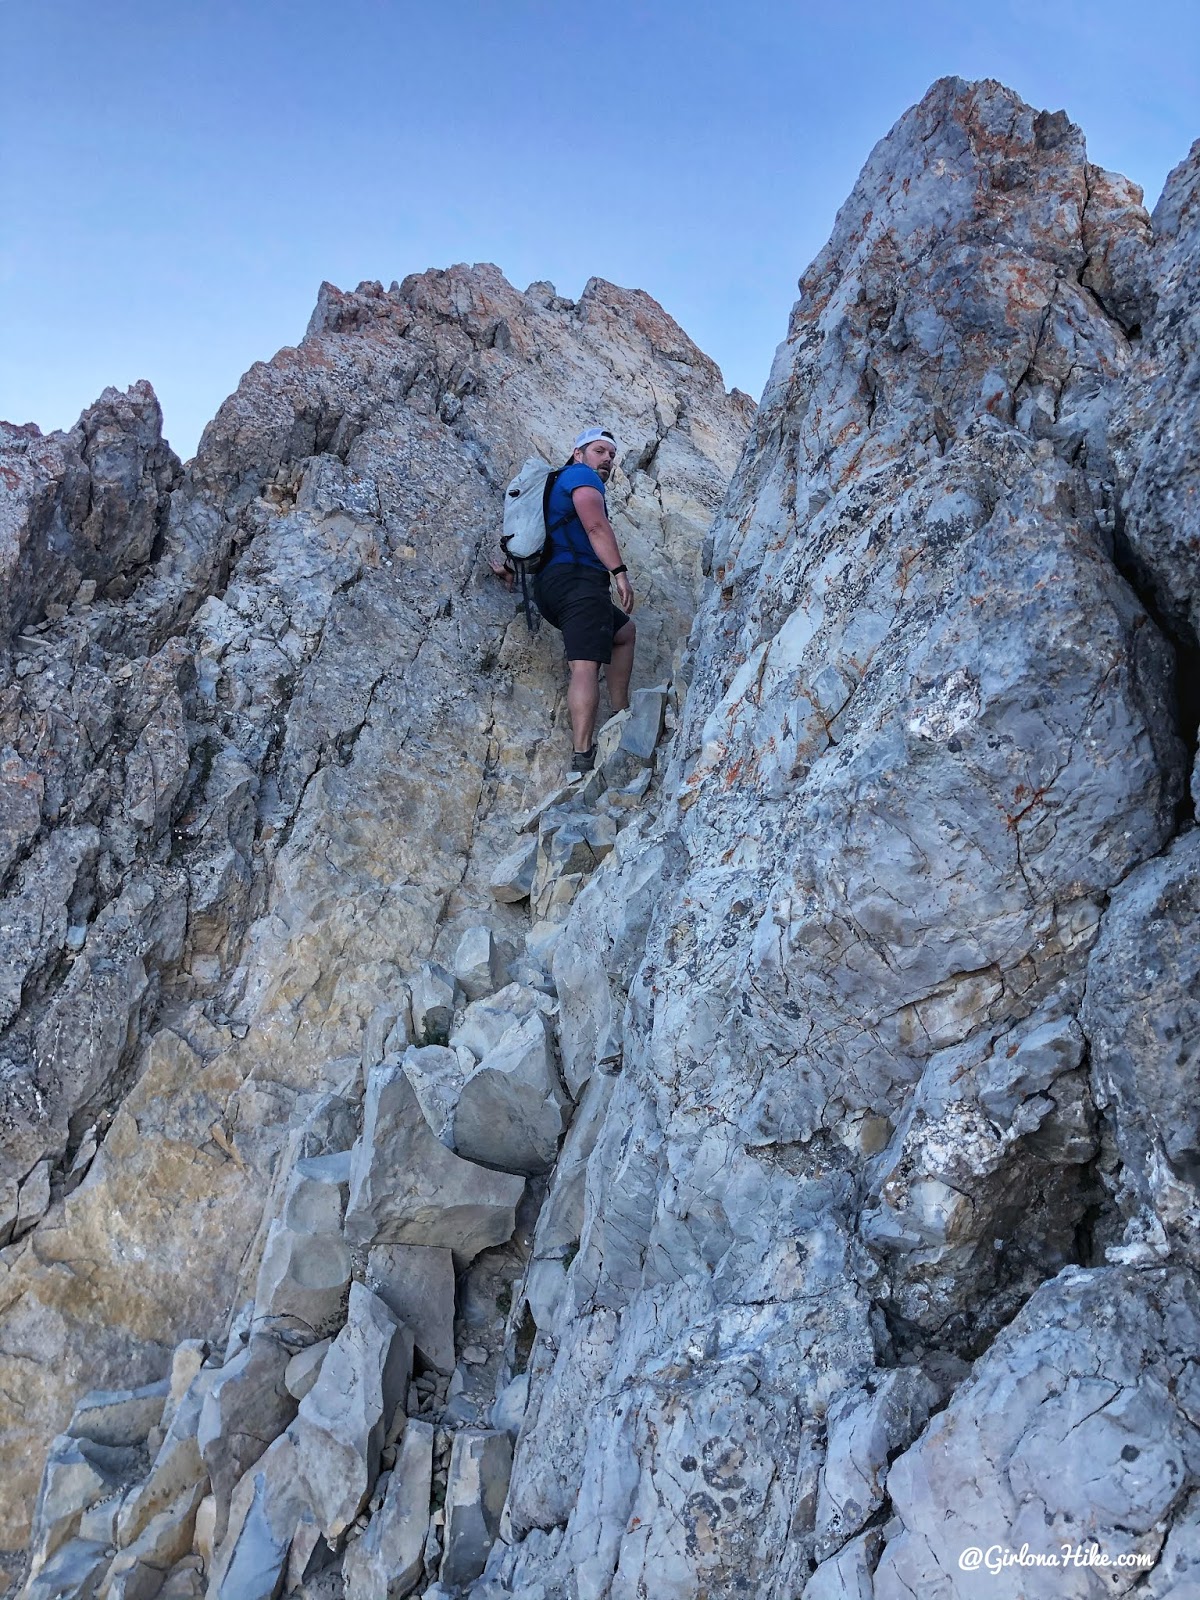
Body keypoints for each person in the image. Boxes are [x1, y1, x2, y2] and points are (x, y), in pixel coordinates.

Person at [534, 427, 636, 774]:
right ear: (578, 453)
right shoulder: (580, 476)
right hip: (578, 579)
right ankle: (582, 755)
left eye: (611, 454)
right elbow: (595, 526)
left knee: (623, 632)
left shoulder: (554, 483)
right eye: (599, 451)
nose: (607, 459)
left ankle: (622, 712)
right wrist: (619, 571)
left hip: (551, 586)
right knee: (585, 664)